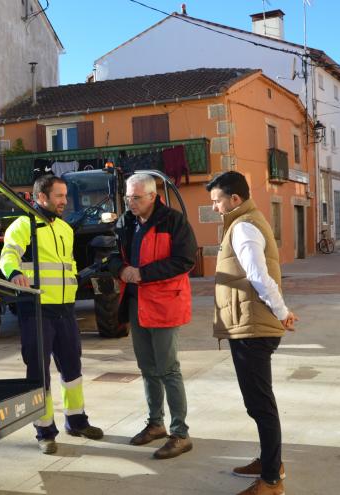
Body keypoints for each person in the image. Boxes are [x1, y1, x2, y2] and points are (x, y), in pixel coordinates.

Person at [206, 171, 299, 495]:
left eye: (217, 201)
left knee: (260, 404)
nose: (215, 207)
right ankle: (269, 462)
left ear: (234, 199)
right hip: (249, 324)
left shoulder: (243, 226)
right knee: (259, 402)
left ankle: (271, 481)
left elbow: (259, 276)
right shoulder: (245, 222)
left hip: (252, 328)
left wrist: (282, 312)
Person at [0, 174, 103, 455]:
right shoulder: (23, 225)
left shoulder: (65, 229)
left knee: (73, 370)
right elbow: (8, 255)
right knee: (38, 374)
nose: (64, 201)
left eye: (65, 195)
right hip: (36, 311)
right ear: (41, 197)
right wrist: (15, 272)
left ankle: (77, 421)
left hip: (65, 311)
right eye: (59, 196)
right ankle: (45, 432)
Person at [106, 173, 198, 459]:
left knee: (168, 369)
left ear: (152, 196)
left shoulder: (173, 221)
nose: (130, 203)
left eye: (136, 198)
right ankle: (155, 424)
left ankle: (180, 433)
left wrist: (142, 273)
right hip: (137, 304)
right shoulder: (126, 222)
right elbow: (111, 254)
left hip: (165, 304)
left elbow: (185, 260)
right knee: (147, 368)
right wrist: (121, 269)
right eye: (127, 198)